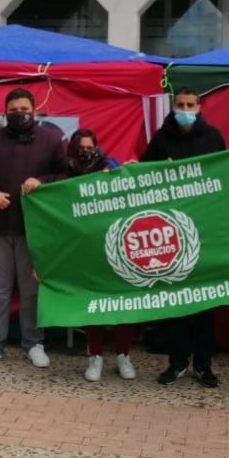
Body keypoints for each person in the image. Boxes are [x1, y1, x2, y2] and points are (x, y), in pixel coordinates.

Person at [0, 88, 66, 368]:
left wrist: (42, 181)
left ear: (34, 110)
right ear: (5, 112)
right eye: (13, 110)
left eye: (24, 109)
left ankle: (34, 342)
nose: (19, 114)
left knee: (31, 289)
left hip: (33, 229)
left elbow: (64, 174)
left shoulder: (52, 140)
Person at [141, 86, 226, 387]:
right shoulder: (162, 137)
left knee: (204, 302)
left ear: (200, 106)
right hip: (171, 232)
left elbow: (225, 177)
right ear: (173, 106)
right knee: (175, 300)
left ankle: (203, 365)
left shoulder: (214, 136)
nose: (185, 109)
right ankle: (177, 363)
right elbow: (143, 172)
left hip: (204, 231)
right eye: (181, 104)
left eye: (191, 104)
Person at [66, 129, 136, 381]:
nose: (85, 151)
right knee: (92, 302)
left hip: (114, 243)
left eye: (89, 146)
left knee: (122, 303)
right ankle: (94, 356)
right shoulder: (64, 173)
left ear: (97, 147)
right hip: (84, 247)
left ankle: (123, 356)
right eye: (80, 147)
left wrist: (130, 172)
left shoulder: (111, 166)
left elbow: (130, 187)